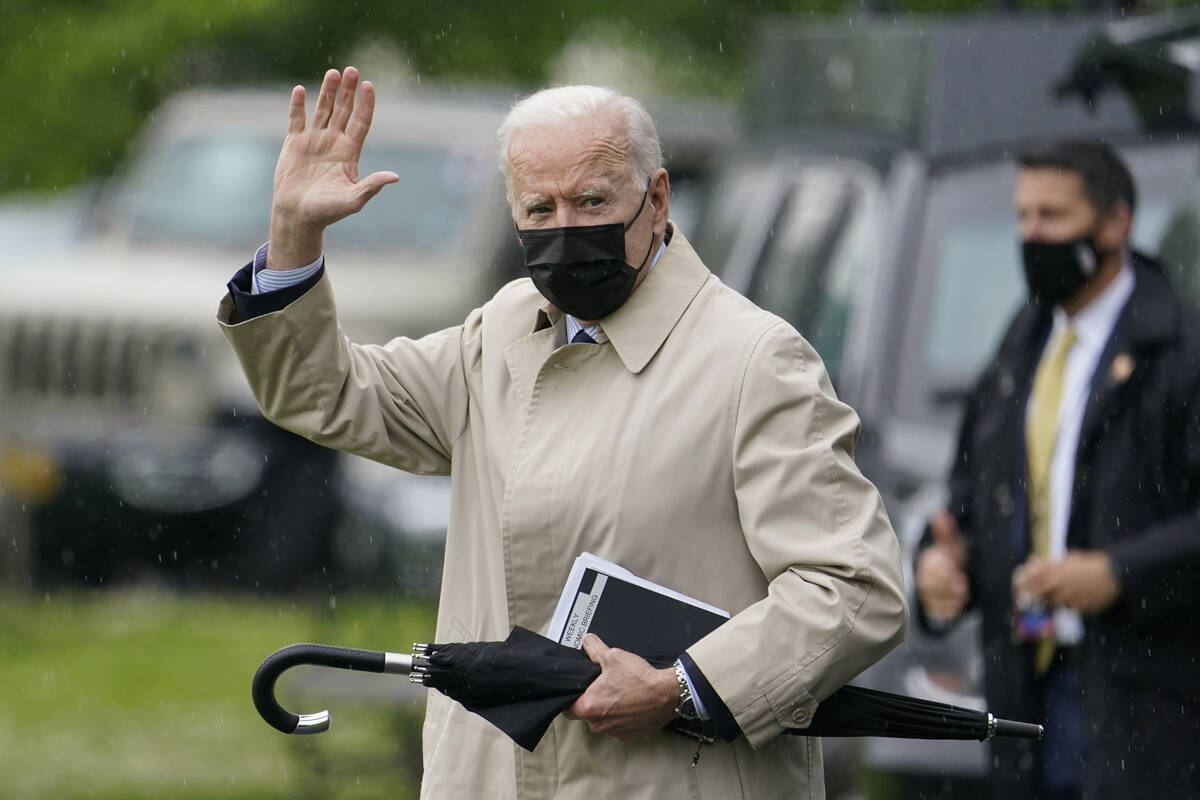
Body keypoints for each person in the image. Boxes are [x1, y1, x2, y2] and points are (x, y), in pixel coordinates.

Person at [218, 66, 907, 799]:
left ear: (658, 199)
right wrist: (295, 234)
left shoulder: (754, 361)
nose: (566, 230)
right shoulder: (500, 331)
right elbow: (324, 394)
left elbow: (854, 588)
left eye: (591, 200)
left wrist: (683, 686)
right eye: (539, 210)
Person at [914, 138, 1200, 800]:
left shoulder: (1179, 352)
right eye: (1022, 217)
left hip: (1146, 706)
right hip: (1025, 694)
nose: (1031, 236)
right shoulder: (1020, 347)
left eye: (1052, 217)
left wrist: (1119, 574)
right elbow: (967, 500)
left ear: (1115, 224)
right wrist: (939, 568)